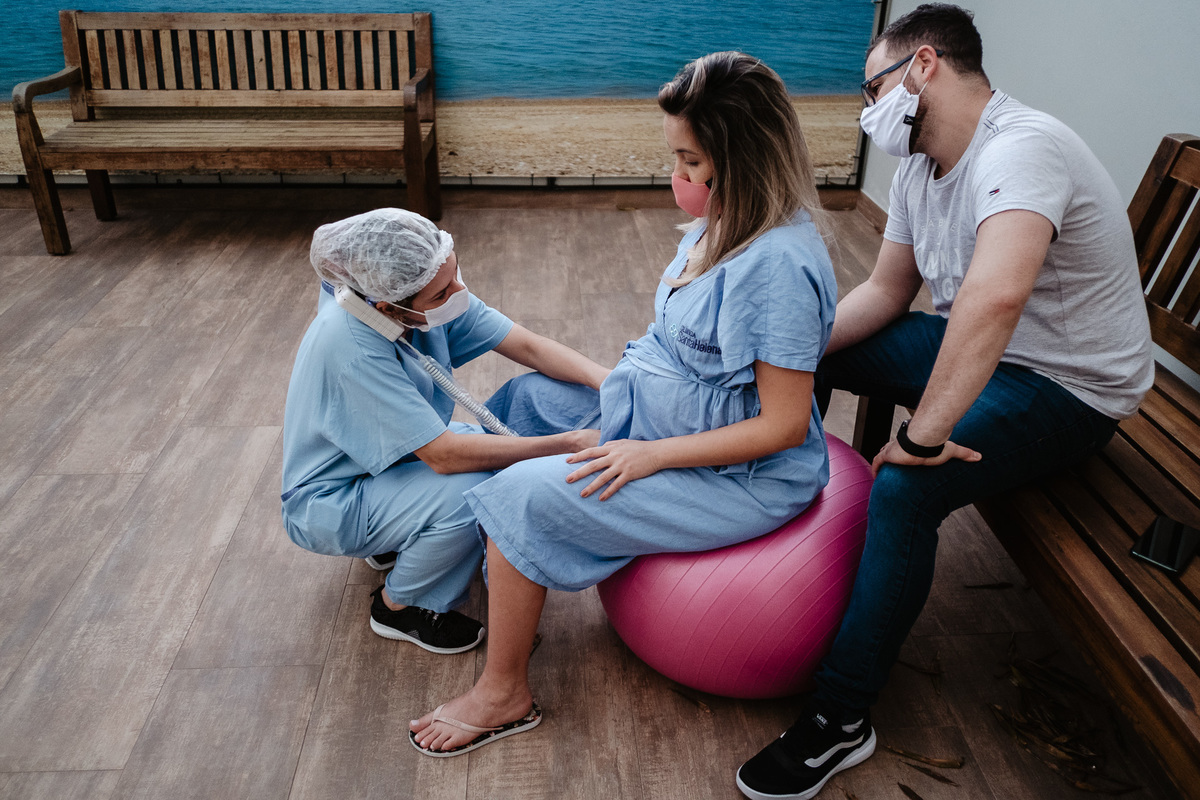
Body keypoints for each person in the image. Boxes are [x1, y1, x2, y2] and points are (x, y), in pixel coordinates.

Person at [735, 5, 1154, 799]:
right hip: (978, 350)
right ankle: (779, 511)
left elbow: (995, 300)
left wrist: (924, 438)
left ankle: (842, 716)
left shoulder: (1024, 148)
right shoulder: (922, 166)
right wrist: (789, 356)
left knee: (905, 487)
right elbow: (890, 290)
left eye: (873, 88)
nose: (867, 112)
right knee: (817, 350)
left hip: (1066, 386)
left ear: (922, 65)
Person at [408, 51, 839, 757]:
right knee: (530, 398)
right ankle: (495, 570)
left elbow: (785, 424)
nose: (676, 174)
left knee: (521, 493)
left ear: (740, 161)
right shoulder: (721, 225)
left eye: (689, 159)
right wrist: (617, 391)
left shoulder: (778, 267)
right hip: (664, 412)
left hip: (739, 478)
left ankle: (504, 691)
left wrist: (648, 454)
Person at [281, 208, 608, 655]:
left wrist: (613, 384)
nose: (459, 294)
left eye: (455, 276)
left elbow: (529, 346)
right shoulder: (352, 346)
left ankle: (400, 533)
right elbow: (446, 457)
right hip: (332, 499)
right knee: (474, 489)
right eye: (442, 293)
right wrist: (569, 444)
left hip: (393, 461)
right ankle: (401, 606)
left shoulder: (422, 296)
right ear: (387, 308)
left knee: (534, 393)